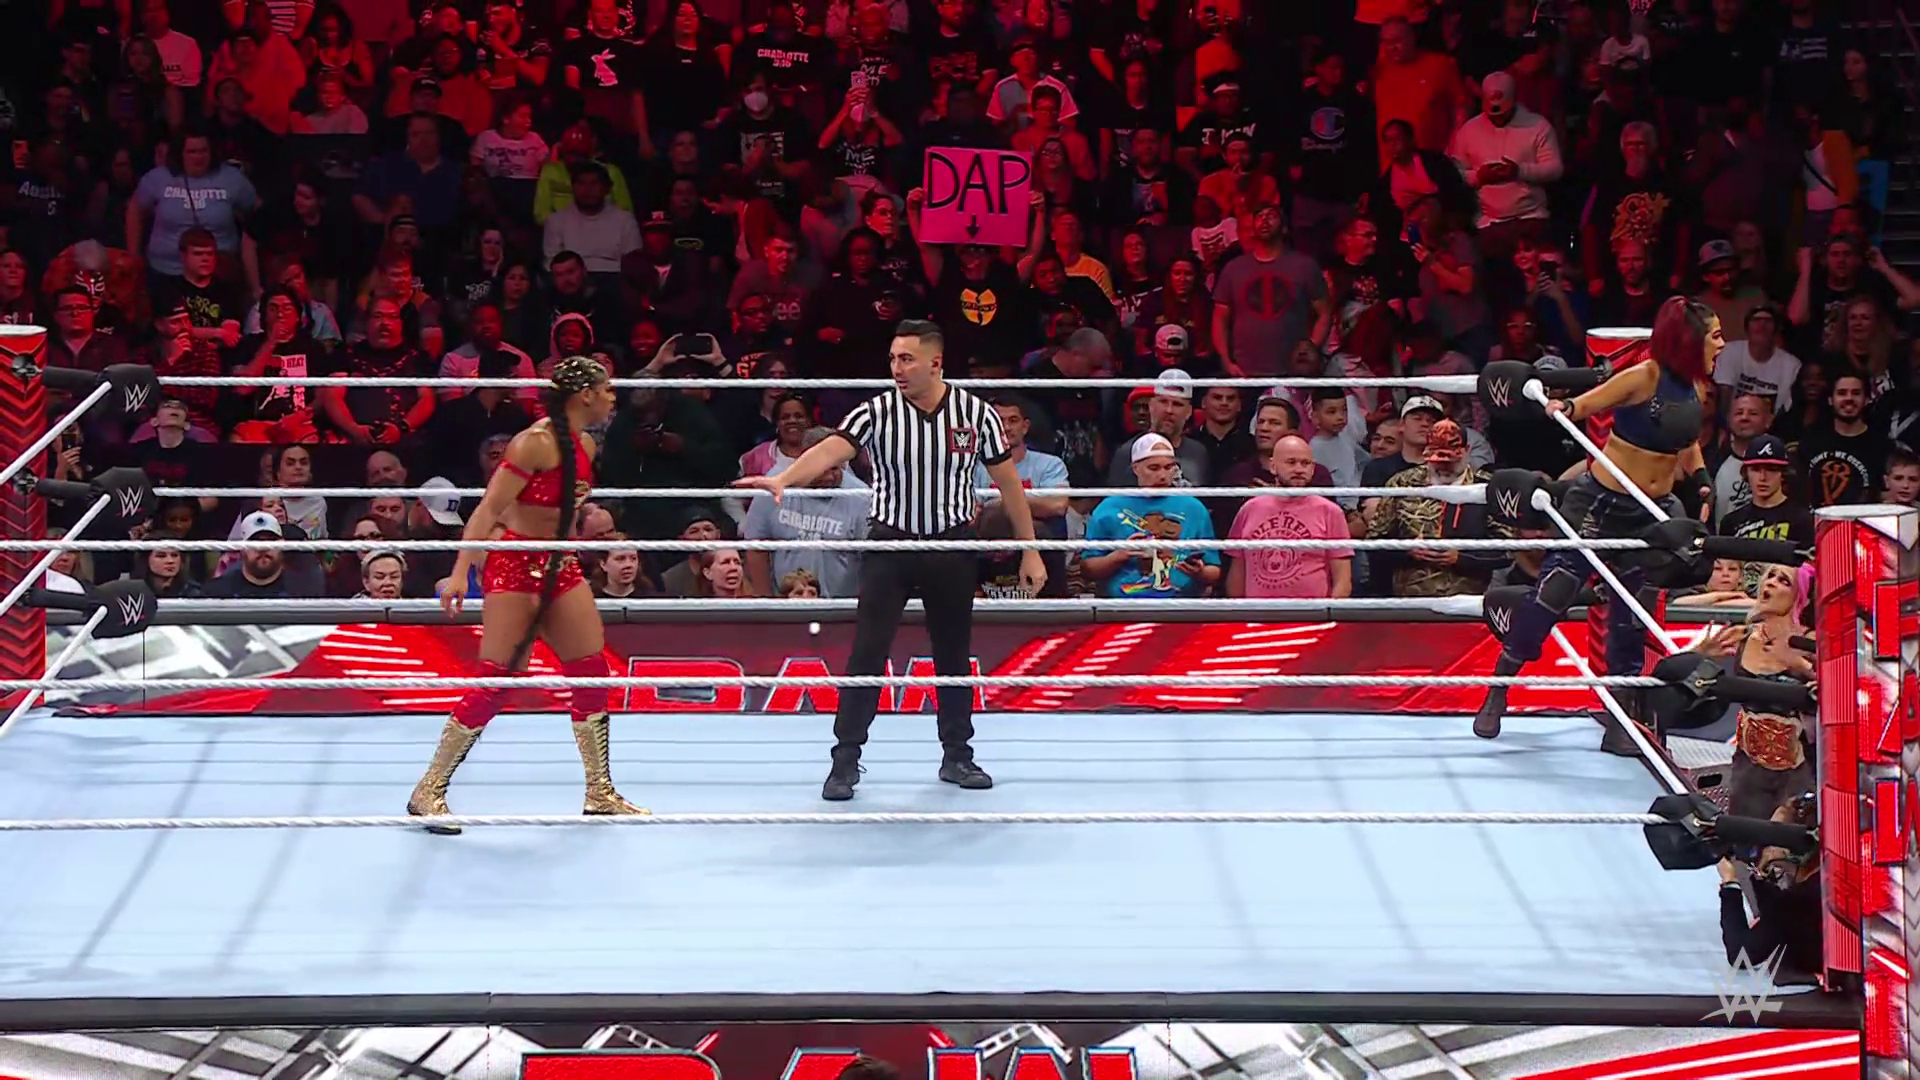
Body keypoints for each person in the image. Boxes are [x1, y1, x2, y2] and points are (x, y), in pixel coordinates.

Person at [733, 320, 1046, 802]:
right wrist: (784, 479)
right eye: (893, 359)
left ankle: (958, 755)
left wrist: (1031, 548)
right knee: (867, 653)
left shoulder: (976, 414)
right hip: (890, 544)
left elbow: (1008, 484)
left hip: (950, 544)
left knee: (953, 654)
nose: (897, 368)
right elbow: (831, 449)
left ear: (935, 363)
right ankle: (845, 759)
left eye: (906, 359)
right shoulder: (876, 412)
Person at [407, 356, 645, 830]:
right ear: (584, 395)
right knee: (497, 679)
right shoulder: (533, 443)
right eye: (606, 389)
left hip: (561, 564)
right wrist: (461, 571)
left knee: (591, 671)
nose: (612, 396)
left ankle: (599, 792)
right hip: (515, 564)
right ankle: (428, 790)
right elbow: (488, 508)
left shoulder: (585, 444)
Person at [1473, 297, 1726, 738]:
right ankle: (1499, 687)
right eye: (1716, 336)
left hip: (1652, 514)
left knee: (1630, 616)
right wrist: (1564, 408)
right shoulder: (1644, 376)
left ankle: (1620, 720)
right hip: (1601, 505)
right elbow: (1587, 405)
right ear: (1690, 339)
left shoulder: (1694, 387)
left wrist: (1702, 480)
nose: (1722, 344)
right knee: (1553, 595)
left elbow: (1687, 444)